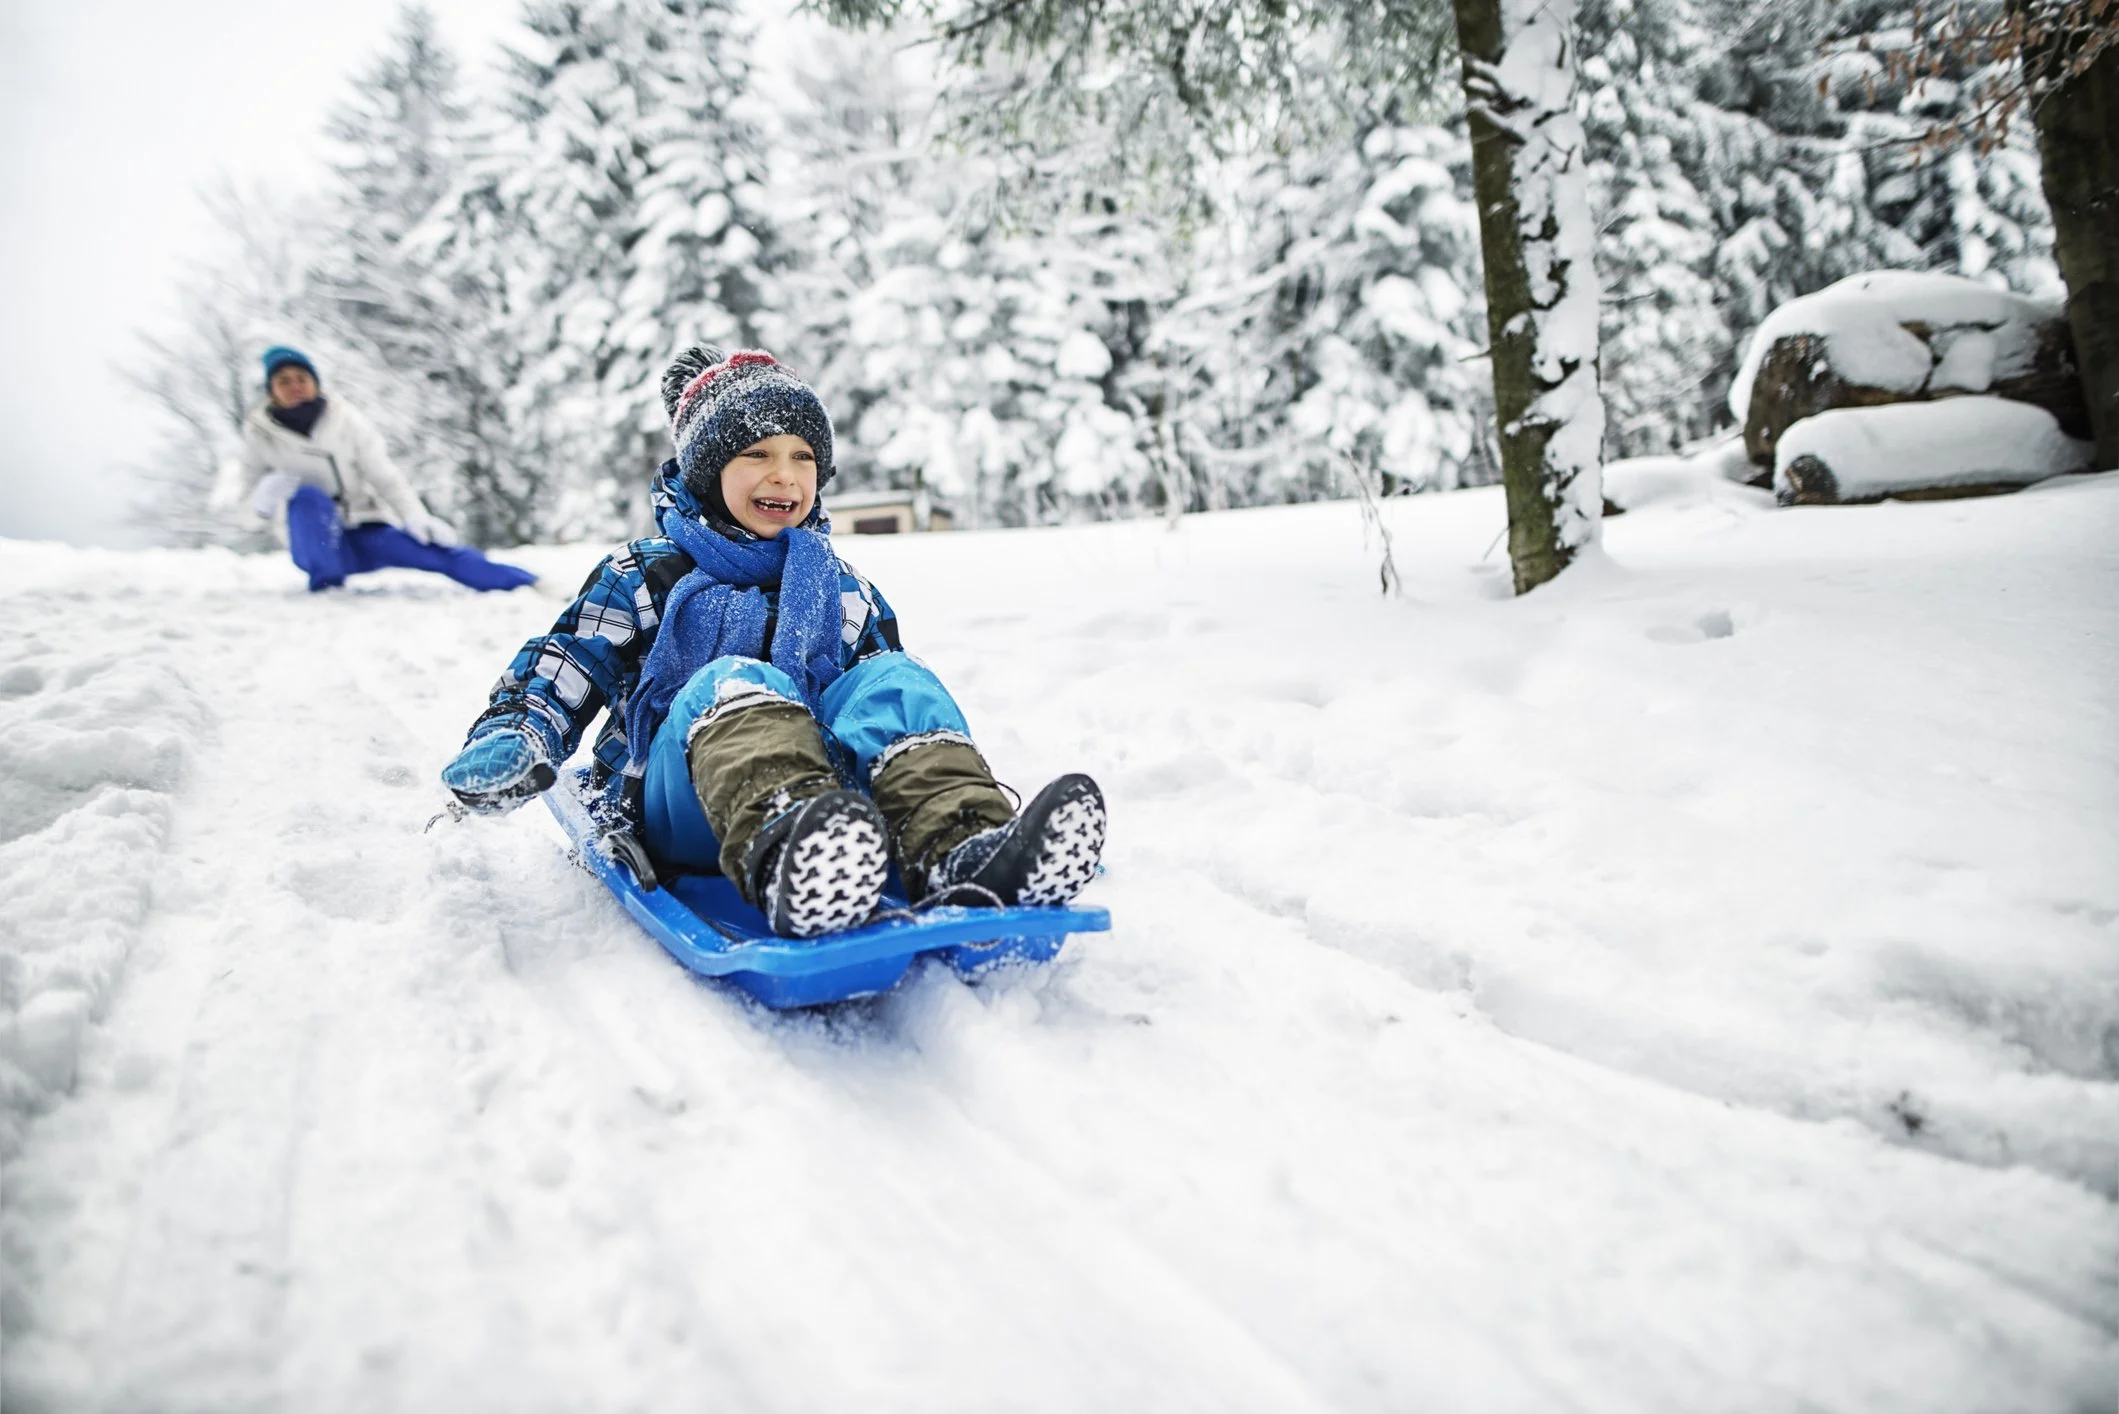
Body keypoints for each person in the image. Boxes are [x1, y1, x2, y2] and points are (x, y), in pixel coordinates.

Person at [437, 346, 1106, 938]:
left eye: (802, 458)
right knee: (732, 681)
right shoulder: (644, 575)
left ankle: (966, 846)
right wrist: (516, 736)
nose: (784, 476)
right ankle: (796, 860)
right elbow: (563, 667)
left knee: (892, 680)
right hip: (678, 803)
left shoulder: (839, 589)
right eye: (755, 455)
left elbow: (872, 708)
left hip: (830, 805)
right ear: (706, 472)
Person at [230, 346, 537, 593]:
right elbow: (243, 512)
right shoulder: (259, 435)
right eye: (283, 381)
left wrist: (415, 516)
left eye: (301, 377)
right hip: (316, 547)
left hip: (366, 531)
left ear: (315, 382)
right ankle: (326, 586)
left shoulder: (346, 421)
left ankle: (526, 582)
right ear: (271, 391)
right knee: (308, 498)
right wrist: (262, 504)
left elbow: (384, 476)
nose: (294, 385)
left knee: (434, 552)